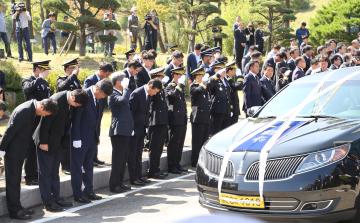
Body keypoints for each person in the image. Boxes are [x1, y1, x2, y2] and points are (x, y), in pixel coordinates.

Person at [0, 98, 58, 220]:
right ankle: (14, 212)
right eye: (45, 114)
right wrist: (2, 149)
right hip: (13, 151)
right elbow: (10, 131)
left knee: (16, 181)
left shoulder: (32, 108)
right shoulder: (25, 110)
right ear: (42, 108)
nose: (43, 116)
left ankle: (18, 207)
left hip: (20, 150)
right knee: (13, 181)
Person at [34, 89, 88, 212]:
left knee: (54, 172)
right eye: (77, 105)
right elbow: (44, 122)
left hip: (58, 142)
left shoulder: (70, 101)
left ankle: (56, 198)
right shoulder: (56, 100)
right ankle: (48, 202)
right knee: (45, 173)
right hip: (46, 142)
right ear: (73, 99)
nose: (76, 107)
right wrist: (43, 142)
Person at [71, 79, 113, 203]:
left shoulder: (99, 98)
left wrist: (96, 137)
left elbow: (97, 120)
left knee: (89, 166)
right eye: (104, 95)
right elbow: (76, 119)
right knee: (77, 167)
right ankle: (78, 194)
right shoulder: (83, 95)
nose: (104, 97)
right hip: (80, 139)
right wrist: (76, 138)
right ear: (98, 89)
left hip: (92, 138)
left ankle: (89, 190)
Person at [22, 60, 52, 186]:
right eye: (44, 70)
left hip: (42, 118)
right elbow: (27, 91)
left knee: (40, 146)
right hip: (31, 119)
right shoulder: (27, 80)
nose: (46, 73)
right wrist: (39, 79)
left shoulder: (45, 83)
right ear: (37, 70)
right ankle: (29, 176)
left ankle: (37, 173)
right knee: (30, 148)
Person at [128, 79, 162, 185]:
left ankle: (139, 176)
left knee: (139, 154)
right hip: (134, 129)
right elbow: (131, 112)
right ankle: (133, 178)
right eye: (155, 91)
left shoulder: (149, 94)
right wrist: (132, 128)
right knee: (133, 154)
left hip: (142, 128)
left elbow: (147, 112)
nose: (155, 93)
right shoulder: (137, 93)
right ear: (150, 86)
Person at [83, 63, 114, 166]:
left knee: (96, 134)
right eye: (107, 74)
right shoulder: (90, 80)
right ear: (101, 71)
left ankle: (94, 157)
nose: (107, 77)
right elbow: (87, 97)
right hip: (91, 111)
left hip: (99, 112)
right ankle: (89, 158)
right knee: (90, 134)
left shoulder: (104, 81)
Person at [108, 72, 133, 193]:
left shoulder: (122, 93)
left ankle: (120, 182)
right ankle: (114, 185)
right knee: (117, 159)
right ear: (117, 82)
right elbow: (122, 101)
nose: (125, 81)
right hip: (118, 131)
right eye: (123, 80)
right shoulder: (112, 93)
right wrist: (127, 88)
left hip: (126, 129)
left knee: (123, 158)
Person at [147, 68, 169, 179]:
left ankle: (156, 168)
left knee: (159, 148)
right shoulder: (153, 90)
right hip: (156, 122)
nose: (161, 79)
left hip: (162, 121)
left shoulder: (161, 89)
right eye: (159, 77)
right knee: (154, 147)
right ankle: (152, 170)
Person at [165, 67, 188, 174]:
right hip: (174, 119)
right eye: (178, 75)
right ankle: (171, 165)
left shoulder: (180, 87)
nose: (180, 77)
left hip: (181, 118)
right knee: (173, 143)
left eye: (181, 75)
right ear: (174, 75)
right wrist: (178, 87)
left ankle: (177, 164)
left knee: (180, 142)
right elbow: (171, 96)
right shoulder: (170, 86)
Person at [190, 67, 211, 167]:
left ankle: (203, 160)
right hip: (198, 118)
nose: (202, 77)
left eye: (203, 76)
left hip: (205, 117)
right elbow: (196, 92)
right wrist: (202, 85)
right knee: (197, 141)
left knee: (204, 141)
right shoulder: (193, 86)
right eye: (201, 76)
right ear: (197, 77)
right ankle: (195, 161)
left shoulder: (203, 87)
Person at [207, 64, 231, 135]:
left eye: (224, 69)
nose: (224, 71)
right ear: (216, 70)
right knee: (216, 130)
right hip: (218, 109)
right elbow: (209, 88)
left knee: (225, 130)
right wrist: (216, 76)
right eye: (221, 69)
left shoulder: (225, 80)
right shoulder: (213, 79)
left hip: (226, 109)